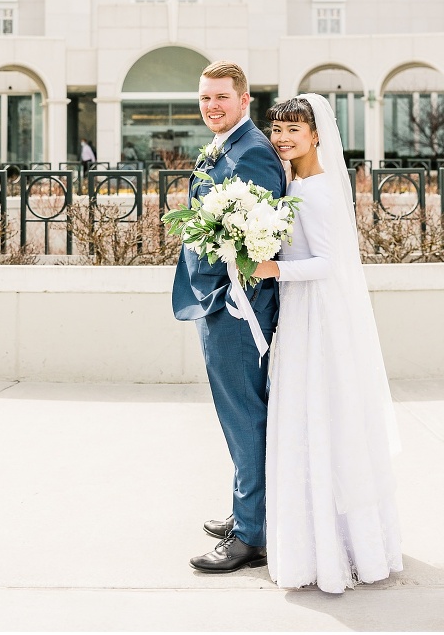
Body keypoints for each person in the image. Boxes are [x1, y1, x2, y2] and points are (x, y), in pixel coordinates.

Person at [251, 94, 403, 593]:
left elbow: (328, 263)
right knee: (304, 419)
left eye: (294, 129)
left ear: (317, 134)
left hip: (316, 314)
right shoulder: (295, 182)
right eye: (277, 129)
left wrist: (273, 268)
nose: (283, 137)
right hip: (300, 313)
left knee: (316, 416)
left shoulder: (316, 191)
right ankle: (319, 539)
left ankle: (332, 546)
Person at [172, 61, 287, 573]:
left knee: (244, 416)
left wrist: (223, 296)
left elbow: (263, 238)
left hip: (236, 307)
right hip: (217, 301)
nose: (211, 106)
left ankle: (251, 535)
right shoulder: (226, 147)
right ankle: (249, 510)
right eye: (205, 98)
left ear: (245, 100)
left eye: (221, 97)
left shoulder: (253, 154)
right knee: (237, 415)